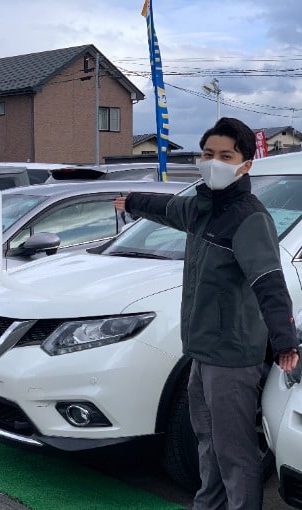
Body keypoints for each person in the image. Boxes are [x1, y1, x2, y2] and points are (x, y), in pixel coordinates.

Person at [114, 117, 300, 510]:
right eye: (208, 153)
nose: (213, 162)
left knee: (234, 452)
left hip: (232, 355)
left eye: (225, 155)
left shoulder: (249, 218)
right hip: (201, 350)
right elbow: (167, 207)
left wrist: (284, 340)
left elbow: (269, 281)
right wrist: (131, 202)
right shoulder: (203, 207)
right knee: (208, 445)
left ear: (245, 164)